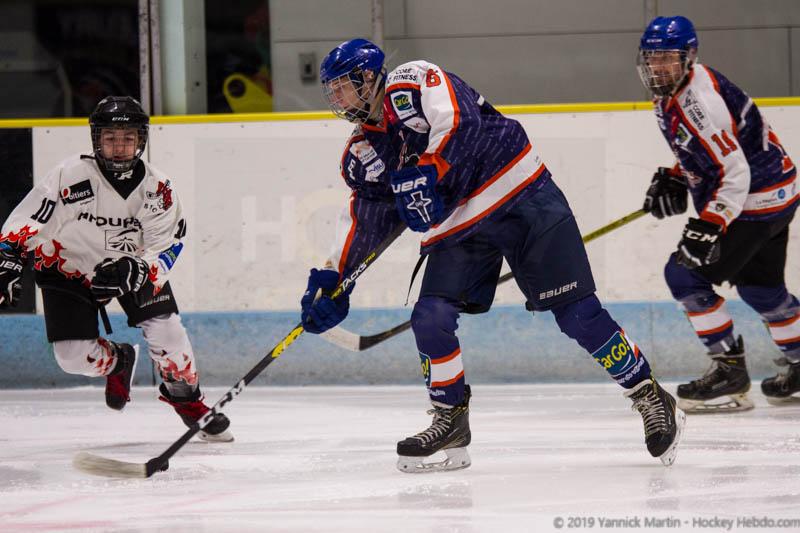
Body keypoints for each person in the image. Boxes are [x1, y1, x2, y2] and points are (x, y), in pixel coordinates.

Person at [300, 38, 685, 473]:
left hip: (520, 192)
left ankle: (648, 393)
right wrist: (336, 277)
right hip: (459, 223)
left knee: (577, 315)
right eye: (331, 91)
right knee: (430, 316)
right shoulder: (362, 154)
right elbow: (369, 216)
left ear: (368, 77)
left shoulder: (410, 82)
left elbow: (459, 121)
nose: (337, 98)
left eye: (343, 86)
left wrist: (432, 169)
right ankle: (450, 418)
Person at [0, 96, 233, 441]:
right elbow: (30, 219)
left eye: (128, 138)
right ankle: (118, 360)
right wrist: (9, 260)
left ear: (141, 140)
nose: (120, 146)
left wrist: (139, 270)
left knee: (168, 332)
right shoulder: (69, 176)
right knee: (71, 358)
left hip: (130, 266)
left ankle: (187, 400)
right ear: (97, 139)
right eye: (110, 138)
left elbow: (168, 243)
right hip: (68, 266)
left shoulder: (158, 188)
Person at [638, 16, 800, 412]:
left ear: (688, 57)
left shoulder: (698, 103)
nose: (659, 66)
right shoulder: (680, 89)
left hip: (754, 203)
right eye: (652, 58)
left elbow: (734, 172)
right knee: (761, 290)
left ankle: (729, 372)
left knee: (684, 275)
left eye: (668, 58)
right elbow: (715, 150)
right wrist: (679, 174)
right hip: (777, 195)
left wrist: (709, 224)